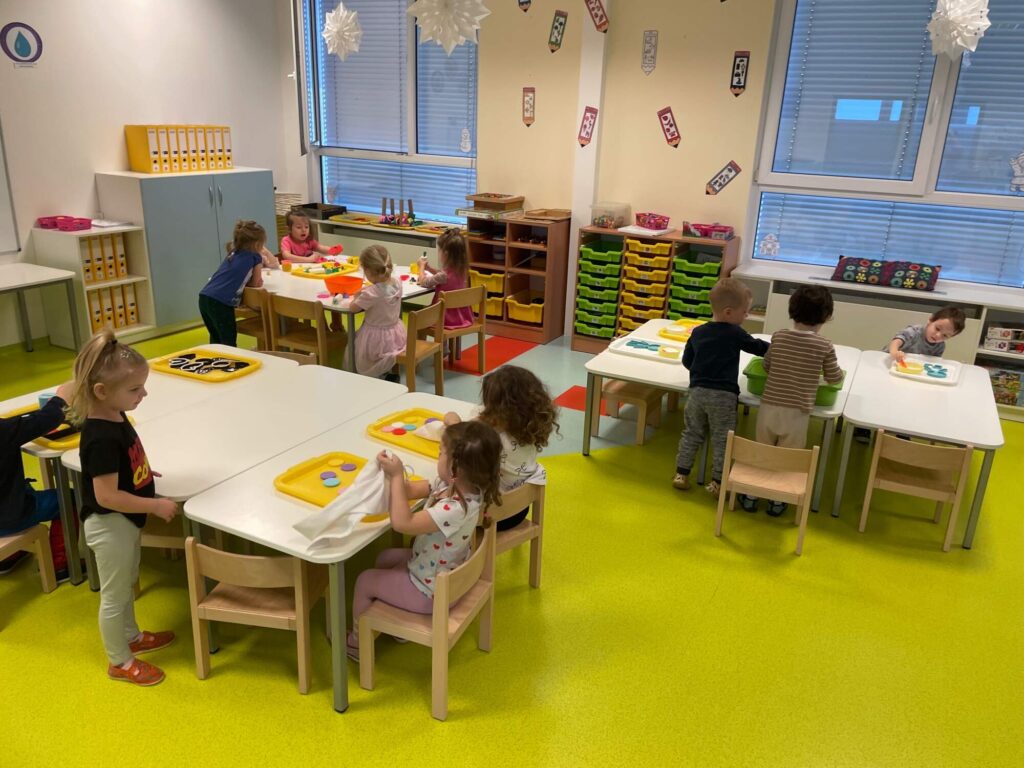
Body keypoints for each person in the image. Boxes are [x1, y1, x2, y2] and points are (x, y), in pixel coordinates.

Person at [71, 330, 179, 686]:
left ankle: (131, 636)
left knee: (128, 580)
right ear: (102, 392)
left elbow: (121, 465)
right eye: (135, 389)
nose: (143, 394)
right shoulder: (99, 435)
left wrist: (140, 472)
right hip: (110, 525)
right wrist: (154, 505)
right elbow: (107, 496)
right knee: (115, 596)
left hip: (125, 522)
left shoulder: (115, 414)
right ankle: (119, 661)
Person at [345, 421, 503, 661]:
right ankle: (396, 625)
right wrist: (392, 481)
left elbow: (402, 523)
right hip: (439, 573)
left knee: (364, 581)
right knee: (384, 557)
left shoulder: (454, 508)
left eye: (440, 454)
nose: (437, 457)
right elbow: (411, 490)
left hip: (431, 593)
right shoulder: (462, 487)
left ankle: (357, 645)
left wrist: (396, 475)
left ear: (455, 468)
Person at [742, 285, 843, 516]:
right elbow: (834, 377)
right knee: (788, 458)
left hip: (769, 405)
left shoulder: (779, 336)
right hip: (798, 411)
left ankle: (751, 496)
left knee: (763, 451)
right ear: (826, 317)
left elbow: (766, 366)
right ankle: (777, 501)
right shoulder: (824, 345)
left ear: (792, 311)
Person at [673, 278, 769, 497]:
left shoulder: (698, 332)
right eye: (744, 312)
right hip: (723, 397)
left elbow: (687, 361)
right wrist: (779, 348)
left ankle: (681, 473)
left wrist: (701, 372)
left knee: (692, 433)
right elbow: (757, 347)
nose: (746, 316)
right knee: (723, 439)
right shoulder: (735, 332)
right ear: (728, 312)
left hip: (696, 393)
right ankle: (717, 482)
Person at [444, 365, 558, 531]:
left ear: (498, 410)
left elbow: (458, 439)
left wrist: (453, 421)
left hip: (490, 515)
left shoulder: (490, 438)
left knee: (443, 485)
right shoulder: (530, 429)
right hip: (519, 509)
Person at [0, 382, 75, 579]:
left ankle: (10, 555)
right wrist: (61, 398)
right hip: (8, 517)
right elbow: (48, 419)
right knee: (69, 499)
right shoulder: (4, 430)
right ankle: (61, 563)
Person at [198, 219, 266, 347]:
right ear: (258, 244)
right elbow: (256, 283)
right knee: (228, 342)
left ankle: (216, 358)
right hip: (220, 303)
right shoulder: (255, 256)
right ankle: (228, 360)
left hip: (204, 298)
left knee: (216, 339)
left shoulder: (233, 253)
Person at [351, 245, 406, 381]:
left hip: (375, 338)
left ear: (368, 271)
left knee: (355, 349)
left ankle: (374, 378)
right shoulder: (397, 283)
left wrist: (356, 296)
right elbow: (383, 292)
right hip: (395, 335)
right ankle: (385, 374)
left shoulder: (372, 292)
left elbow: (353, 308)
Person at [417, 228, 475, 330]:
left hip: (443, 317)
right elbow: (443, 276)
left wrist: (421, 267)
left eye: (440, 250)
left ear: (446, 254)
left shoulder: (443, 276)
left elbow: (424, 282)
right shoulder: (462, 271)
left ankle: (422, 340)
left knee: (418, 317)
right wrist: (429, 269)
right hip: (460, 316)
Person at [886, 306, 966, 361]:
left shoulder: (940, 346)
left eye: (945, 335)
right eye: (937, 329)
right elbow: (896, 341)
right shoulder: (914, 332)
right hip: (889, 360)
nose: (938, 335)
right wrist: (894, 352)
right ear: (930, 320)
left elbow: (932, 363)